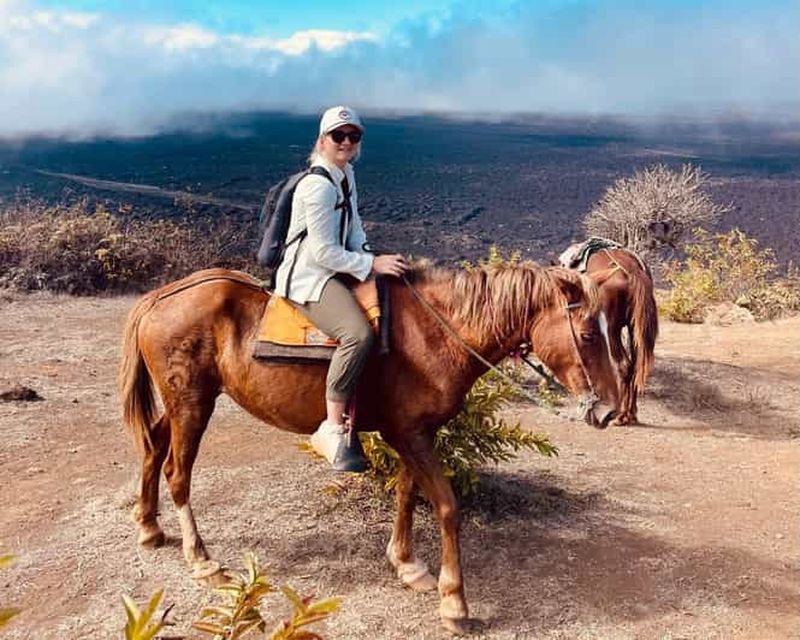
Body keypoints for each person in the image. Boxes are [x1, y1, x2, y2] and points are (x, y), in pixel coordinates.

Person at [274, 105, 409, 471]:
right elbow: (322, 252)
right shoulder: (317, 186)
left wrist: (368, 256)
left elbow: (355, 229)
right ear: (322, 141)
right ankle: (331, 427)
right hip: (309, 276)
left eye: (354, 136)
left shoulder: (345, 174)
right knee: (357, 334)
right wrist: (370, 264)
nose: (346, 142)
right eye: (338, 135)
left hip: (335, 267)